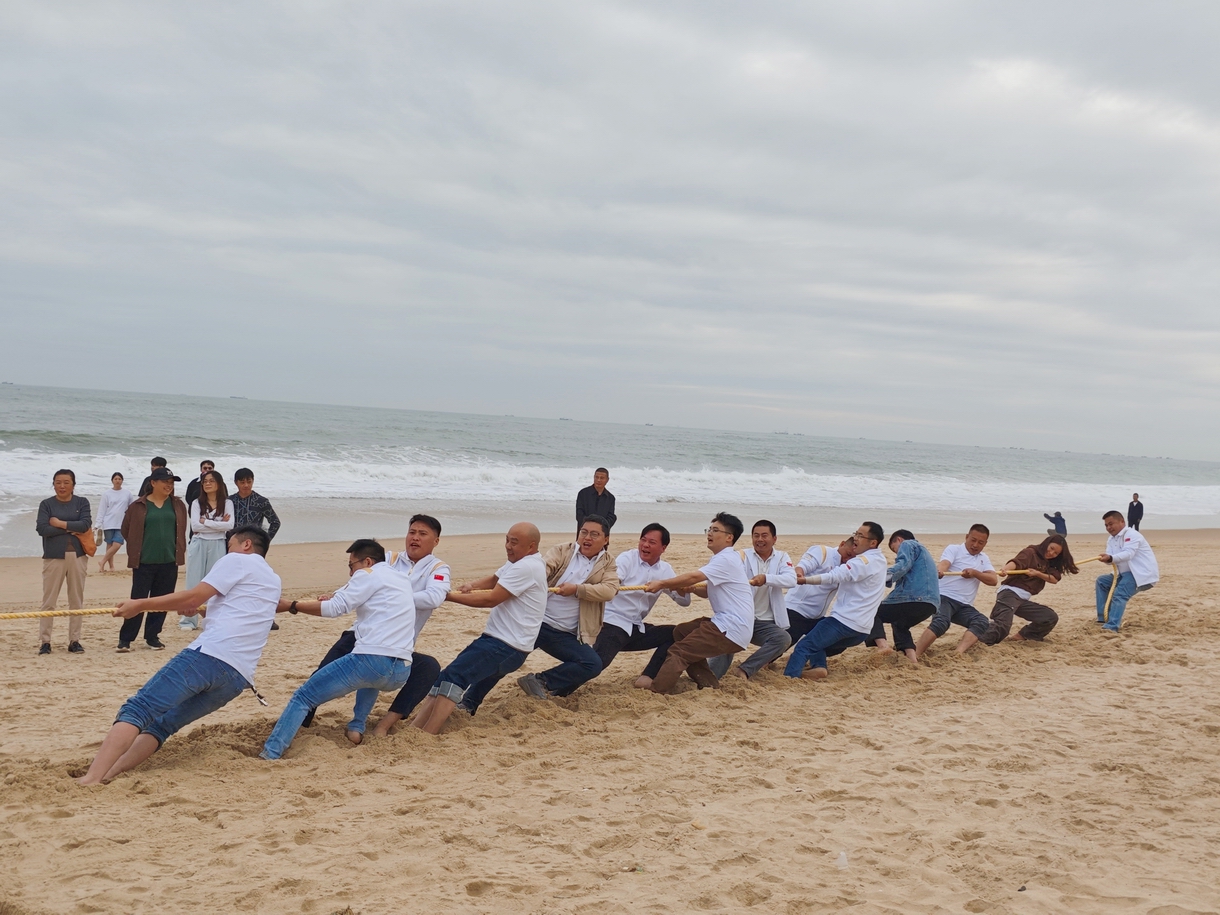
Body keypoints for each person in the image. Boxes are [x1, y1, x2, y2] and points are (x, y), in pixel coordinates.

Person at [75, 526, 279, 785]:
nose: (227, 552)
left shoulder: (237, 559)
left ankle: (92, 778)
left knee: (138, 709)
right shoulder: (272, 579)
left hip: (210, 657)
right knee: (162, 725)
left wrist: (140, 605)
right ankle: (109, 775)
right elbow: (243, 613)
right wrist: (203, 611)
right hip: (238, 678)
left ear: (246, 545)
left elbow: (194, 594)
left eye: (230, 546)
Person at [260, 540, 416, 758]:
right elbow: (354, 592)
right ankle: (356, 728)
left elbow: (335, 609)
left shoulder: (368, 574)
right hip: (401, 670)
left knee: (303, 697)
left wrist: (292, 606)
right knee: (370, 680)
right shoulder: (401, 577)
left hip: (373, 661)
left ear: (368, 561)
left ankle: (270, 753)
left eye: (351, 566)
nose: (351, 573)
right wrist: (336, 594)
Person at [298, 515, 450, 736]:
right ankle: (301, 723)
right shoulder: (389, 559)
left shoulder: (438, 569)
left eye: (422, 534)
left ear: (436, 541)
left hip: (397, 648)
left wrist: (395, 595)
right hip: (360, 635)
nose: (415, 538)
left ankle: (384, 724)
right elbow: (359, 581)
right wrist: (338, 594)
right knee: (322, 674)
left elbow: (434, 598)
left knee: (429, 668)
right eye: (412, 532)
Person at [410, 523, 548, 734]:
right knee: (446, 676)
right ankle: (416, 727)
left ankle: (428, 732)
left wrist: (447, 596)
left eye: (514, 542)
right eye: (507, 539)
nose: (508, 546)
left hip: (506, 645)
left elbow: (491, 599)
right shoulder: (519, 562)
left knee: (454, 676)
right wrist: (472, 586)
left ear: (531, 546)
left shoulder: (527, 566)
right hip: (503, 642)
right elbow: (495, 579)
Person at [640, 512, 754, 693]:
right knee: (681, 632)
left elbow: (694, 576)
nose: (709, 533)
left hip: (731, 626)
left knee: (678, 652)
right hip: (730, 624)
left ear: (729, 538)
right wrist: (691, 589)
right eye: (709, 529)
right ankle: (709, 684)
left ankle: (658, 690)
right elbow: (707, 591)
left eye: (715, 530)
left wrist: (662, 583)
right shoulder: (722, 559)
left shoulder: (726, 559)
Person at [517, 515, 619, 700]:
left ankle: (541, 681)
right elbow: (544, 568)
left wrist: (577, 590)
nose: (587, 538)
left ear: (606, 539)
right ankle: (470, 700)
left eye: (594, 534)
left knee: (592, 664)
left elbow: (610, 590)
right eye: (584, 532)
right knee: (506, 660)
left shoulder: (608, 562)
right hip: (537, 622)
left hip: (566, 633)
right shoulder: (563, 550)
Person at [784, 522, 888, 681]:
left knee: (804, 646)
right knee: (817, 642)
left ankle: (789, 678)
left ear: (873, 543)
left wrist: (805, 580)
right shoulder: (880, 560)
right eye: (856, 534)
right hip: (862, 630)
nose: (856, 538)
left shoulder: (861, 562)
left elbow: (834, 575)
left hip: (843, 621)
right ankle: (819, 668)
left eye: (860, 536)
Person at [591, 523, 691, 687]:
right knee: (597, 663)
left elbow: (684, 602)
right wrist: (613, 585)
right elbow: (616, 578)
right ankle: (552, 683)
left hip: (636, 628)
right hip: (612, 623)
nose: (645, 545)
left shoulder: (665, 570)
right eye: (643, 540)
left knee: (676, 633)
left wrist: (679, 588)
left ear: (663, 548)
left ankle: (647, 677)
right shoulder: (627, 558)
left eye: (652, 542)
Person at [709, 520, 797, 680]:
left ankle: (744, 670)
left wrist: (766, 578)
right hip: (740, 617)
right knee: (727, 646)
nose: (759, 540)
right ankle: (710, 677)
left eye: (764, 535)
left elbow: (791, 580)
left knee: (783, 639)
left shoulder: (782, 557)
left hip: (764, 622)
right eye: (756, 536)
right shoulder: (741, 556)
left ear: (774, 539)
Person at [118, 467, 188, 652]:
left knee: (162, 602)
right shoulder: (137, 506)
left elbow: (181, 529)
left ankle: (152, 636)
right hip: (144, 563)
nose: (169, 485)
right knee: (138, 601)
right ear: (153, 483)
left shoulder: (178, 505)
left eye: (171, 482)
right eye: (165, 481)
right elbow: (126, 530)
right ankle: (126, 639)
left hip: (169, 562)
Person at [914, 524, 997, 660]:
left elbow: (993, 580)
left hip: (964, 605)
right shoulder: (954, 549)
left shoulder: (983, 558)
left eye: (980, 542)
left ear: (985, 544)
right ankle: (916, 653)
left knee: (981, 621)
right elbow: (944, 564)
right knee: (941, 622)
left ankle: (958, 653)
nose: (975, 545)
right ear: (966, 537)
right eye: (973, 540)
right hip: (944, 597)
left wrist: (975, 573)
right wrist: (940, 571)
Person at [980, 534, 1078, 644]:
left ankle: (1023, 636)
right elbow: (1016, 562)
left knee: (1049, 617)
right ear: (1047, 543)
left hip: (1023, 600)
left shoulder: (1050, 562)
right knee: (1002, 626)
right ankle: (977, 640)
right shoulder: (1031, 552)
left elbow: (1054, 579)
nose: (1051, 553)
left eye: (1056, 553)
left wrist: (1037, 573)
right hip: (1010, 593)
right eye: (1051, 549)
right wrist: (1005, 569)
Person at [35, 469, 92, 655]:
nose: (62, 486)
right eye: (58, 482)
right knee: (49, 601)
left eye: (66, 482)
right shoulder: (46, 504)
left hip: (78, 556)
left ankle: (74, 640)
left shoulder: (82, 502)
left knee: (76, 600)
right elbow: (43, 529)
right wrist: (70, 527)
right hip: (53, 556)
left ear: (73, 485)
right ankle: (45, 641)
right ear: (53, 484)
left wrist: (59, 524)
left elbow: (85, 525)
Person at [869, 530, 939, 663]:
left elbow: (902, 564)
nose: (897, 553)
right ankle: (911, 658)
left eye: (895, 550)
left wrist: (881, 577)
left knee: (871, 610)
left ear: (899, 540)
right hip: (931, 603)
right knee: (900, 624)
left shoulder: (908, 544)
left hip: (915, 597)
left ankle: (883, 647)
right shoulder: (925, 555)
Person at [180, 470, 233, 630]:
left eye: (211, 481)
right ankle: (188, 620)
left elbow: (229, 526)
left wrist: (207, 522)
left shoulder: (227, 503)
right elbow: (195, 526)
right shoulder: (196, 503)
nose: (208, 484)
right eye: (205, 481)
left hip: (218, 543)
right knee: (193, 581)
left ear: (219, 483)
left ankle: (212, 619)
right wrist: (217, 524)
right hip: (199, 543)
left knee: (215, 583)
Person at [1094, 510, 1159, 633]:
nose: (1108, 528)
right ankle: (1103, 618)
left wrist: (1110, 558)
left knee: (1120, 593)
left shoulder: (1132, 534)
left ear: (1122, 521)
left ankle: (1112, 625)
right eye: (1106, 525)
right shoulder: (1111, 539)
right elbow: (1111, 558)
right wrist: (1106, 559)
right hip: (1123, 575)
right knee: (1101, 581)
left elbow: (1128, 554)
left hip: (1140, 575)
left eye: (1111, 524)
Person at [785, 538, 857, 643]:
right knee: (782, 646)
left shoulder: (848, 567)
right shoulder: (822, 552)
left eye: (852, 558)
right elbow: (803, 566)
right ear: (842, 544)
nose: (847, 559)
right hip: (797, 611)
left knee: (832, 643)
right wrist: (798, 574)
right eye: (848, 554)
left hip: (817, 617)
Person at [96, 472, 135, 573]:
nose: (117, 480)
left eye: (119, 479)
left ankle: (102, 561)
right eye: (115, 479)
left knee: (117, 544)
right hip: (108, 522)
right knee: (109, 545)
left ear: (122, 480)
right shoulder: (107, 494)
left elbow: (132, 508)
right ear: (112, 480)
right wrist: (98, 524)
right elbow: (102, 509)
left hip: (122, 523)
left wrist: (132, 521)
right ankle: (111, 566)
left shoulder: (127, 493)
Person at [231, 468, 281, 540]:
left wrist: (265, 541)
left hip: (253, 543)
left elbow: (275, 522)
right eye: (242, 482)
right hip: (233, 542)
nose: (246, 485)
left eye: (249, 482)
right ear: (236, 482)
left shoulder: (261, 501)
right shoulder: (230, 501)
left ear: (253, 481)